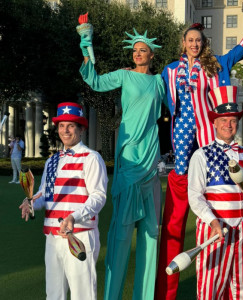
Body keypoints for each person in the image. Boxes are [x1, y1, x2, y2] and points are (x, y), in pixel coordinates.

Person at [155, 9, 243, 300]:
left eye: (198, 40)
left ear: (203, 44)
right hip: (181, 129)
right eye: (190, 40)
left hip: (205, 128)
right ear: (183, 43)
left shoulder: (213, 64)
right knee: (181, 178)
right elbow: (154, 91)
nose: (194, 44)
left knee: (211, 162)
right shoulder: (169, 70)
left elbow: (238, 53)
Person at [79, 27, 166, 299]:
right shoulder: (124, 75)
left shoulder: (161, 82)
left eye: (143, 50)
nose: (138, 53)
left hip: (151, 161)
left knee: (151, 236)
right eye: (135, 50)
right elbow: (94, 80)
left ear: (152, 55)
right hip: (128, 160)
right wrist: (86, 44)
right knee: (120, 237)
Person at [188, 85, 243, 299]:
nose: (228, 124)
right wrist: (212, 221)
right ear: (214, 122)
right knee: (210, 287)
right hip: (214, 229)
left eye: (233, 120)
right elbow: (195, 196)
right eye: (223, 120)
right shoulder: (201, 155)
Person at [19, 102, 108, 300]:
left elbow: (98, 197)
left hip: (79, 235)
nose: (65, 130)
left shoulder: (91, 158)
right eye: (61, 125)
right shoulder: (52, 160)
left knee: (82, 295)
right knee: (53, 294)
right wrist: (31, 202)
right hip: (52, 236)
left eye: (71, 125)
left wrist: (74, 217)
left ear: (81, 129)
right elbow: (45, 193)